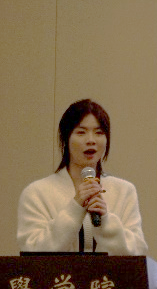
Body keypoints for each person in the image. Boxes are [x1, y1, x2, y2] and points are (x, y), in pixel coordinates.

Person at [17, 99, 147, 255]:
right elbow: (31, 250)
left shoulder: (124, 191)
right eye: (81, 132)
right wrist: (75, 208)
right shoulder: (37, 193)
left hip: (108, 273)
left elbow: (137, 252)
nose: (91, 140)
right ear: (66, 139)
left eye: (99, 133)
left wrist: (106, 221)